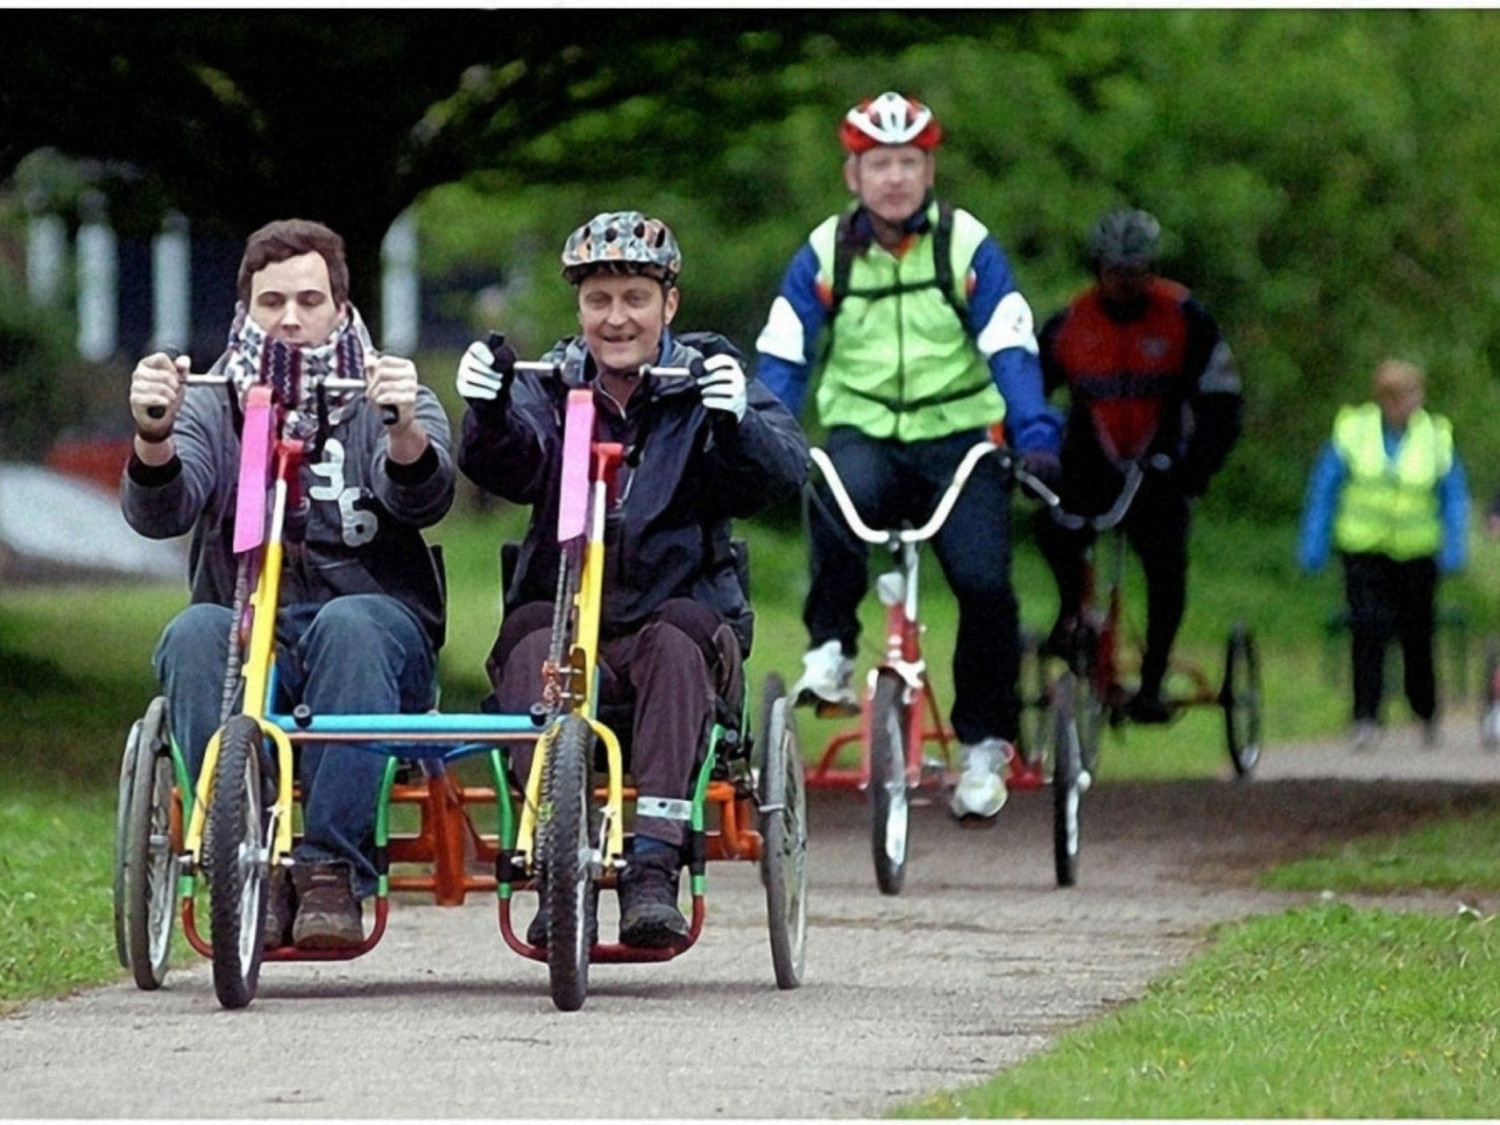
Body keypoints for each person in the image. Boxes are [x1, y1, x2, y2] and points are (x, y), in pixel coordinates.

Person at [454, 210, 808, 949]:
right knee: (524, 647)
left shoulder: (707, 377)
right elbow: (508, 462)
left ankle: (653, 867)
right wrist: (486, 412)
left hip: (672, 620)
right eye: (599, 300)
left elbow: (779, 471)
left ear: (668, 304)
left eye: (634, 299)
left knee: (677, 641)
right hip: (563, 617)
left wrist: (735, 422)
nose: (616, 318)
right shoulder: (551, 385)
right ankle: (559, 862)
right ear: (580, 308)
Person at [122, 218, 455, 950]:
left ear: (340, 304)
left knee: (353, 623)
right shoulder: (212, 400)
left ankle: (331, 866)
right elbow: (163, 509)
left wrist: (402, 431)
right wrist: (152, 435)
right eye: (273, 303)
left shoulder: (388, 391)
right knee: (193, 630)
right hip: (249, 623)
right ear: (247, 309)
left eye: (309, 300)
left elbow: (426, 499)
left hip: (374, 633)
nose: (292, 320)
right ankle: (233, 851)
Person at [753, 91, 1061, 824]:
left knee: (985, 581)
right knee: (831, 488)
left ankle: (984, 742)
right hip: (866, 432)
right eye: (879, 163)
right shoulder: (827, 250)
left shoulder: (965, 245)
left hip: (959, 440)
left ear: (930, 170)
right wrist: (763, 431)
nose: (894, 177)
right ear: (852, 174)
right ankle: (830, 649)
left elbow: (1010, 345)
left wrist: (1037, 433)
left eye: (909, 162)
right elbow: (785, 351)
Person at [1034, 208, 1243, 724]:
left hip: (1161, 467)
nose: (1124, 283)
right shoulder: (1070, 322)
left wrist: (1196, 468)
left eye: (1135, 271)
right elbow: (1030, 395)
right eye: (1114, 271)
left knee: (1166, 565)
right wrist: (1030, 454)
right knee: (1054, 524)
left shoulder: (1184, 318)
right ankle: (1073, 615)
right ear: (1098, 269)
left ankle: (1151, 682)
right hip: (1091, 464)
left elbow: (1222, 401)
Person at [1298, 359, 1468, 750]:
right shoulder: (1353, 432)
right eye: (1394, 398)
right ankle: (1365, 718)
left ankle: (1424, 709)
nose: (1402, 405)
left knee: (1417, 635)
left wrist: (1454, 548)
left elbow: (1453, 496)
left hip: (1418, 553)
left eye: (1408, 396)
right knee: (1367, 631)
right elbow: (1325, 489)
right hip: (1363, 551)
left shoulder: (1436, 436)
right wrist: (1313, 545)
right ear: (1381, 398)